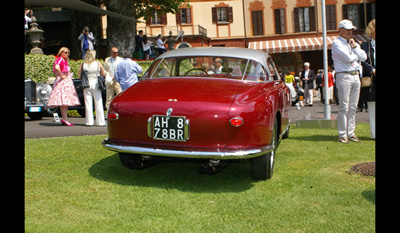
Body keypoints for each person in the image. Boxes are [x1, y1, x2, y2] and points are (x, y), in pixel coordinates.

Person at [331, 19, 367, 143]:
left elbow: (364, 57)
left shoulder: (352, 43)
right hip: (344, 76)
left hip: (355, 75)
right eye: (347, 30)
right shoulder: (337, 43)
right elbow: (347, 58)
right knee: (344, 106)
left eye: (351, 30)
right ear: (340, 30)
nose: (350, 32)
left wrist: (356, 47)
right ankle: (342, 134)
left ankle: (351, 132)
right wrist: (356, 55)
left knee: (353, 106)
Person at [47, 47, 80, 126]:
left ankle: (65, 119)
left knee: (64, 102)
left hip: (66, 82)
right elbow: (57, 67)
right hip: (63, 82)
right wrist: (61, 75)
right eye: (65, 52)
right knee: (64, 101)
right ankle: (65, 119)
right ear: (61, 52)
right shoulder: (60, 59)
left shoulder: (64, 61)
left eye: (68, 52)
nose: (67, 54)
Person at [79, 50, 106, 126]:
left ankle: (89, 122)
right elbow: (103, 73)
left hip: (87, 83)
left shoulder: (83, 64)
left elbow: (80, 76)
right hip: (96, 83)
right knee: (98, 102)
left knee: (88, 103)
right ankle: (101, 121)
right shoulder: (97, 63)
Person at [361, 19, 376, 139]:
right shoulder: (365, 45)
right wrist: (372, 69)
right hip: (371, 81)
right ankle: (374, 134)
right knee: (372, 108)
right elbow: (363, 61)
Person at [104, 47, 123, 112]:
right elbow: (104, 69)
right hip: (110, 80)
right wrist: (108, 75)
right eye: (114, 53)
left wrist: (117, 75)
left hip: (118, 80)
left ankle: (120, 110)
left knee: (120, 94)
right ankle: (108, 111)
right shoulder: (107, 60)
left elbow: (122, 70)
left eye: (117, 52)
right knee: (109, 96)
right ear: (111, 52)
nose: (116, 54)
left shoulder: (121, 60)